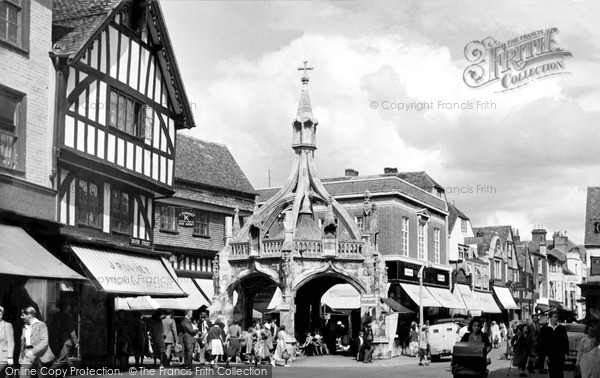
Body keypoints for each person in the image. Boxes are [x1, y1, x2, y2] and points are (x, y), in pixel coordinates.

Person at [18, 306, 55, 378]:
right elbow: (23, 343)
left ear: (29, 315)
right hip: (27, 355)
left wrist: (33, 351)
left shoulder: (41, 325)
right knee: (23, 375)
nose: (21, 317)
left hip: (41, 355)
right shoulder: (24, 327)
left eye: (23, 315)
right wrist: (21, 355)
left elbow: (44, 342)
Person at [48, 300, 78, 371]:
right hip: (65, 341)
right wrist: (76, 342)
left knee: (64, 357)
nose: (69, 307)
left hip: (57, 341)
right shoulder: (67, 316)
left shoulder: (55, 315)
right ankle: (48, 372)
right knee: (62, 359)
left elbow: (51, 328)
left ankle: (74, 371)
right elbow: (71, 330)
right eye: (68, 305)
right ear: (66, 306)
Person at [538, 310, 568, 378]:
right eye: (554, 317)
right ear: (550, 318)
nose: (556, 318)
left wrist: (565, 352)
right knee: (552, 373)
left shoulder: (561, 328)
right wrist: (544, 355)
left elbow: (565, 341)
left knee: (560, 373)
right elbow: (542, 343)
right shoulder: (545, 329)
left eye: (557, 317)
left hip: (560, 354)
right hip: (550, 354)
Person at [0, 305, 15, 378]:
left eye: (0, 314)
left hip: (3, 357)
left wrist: (10, 357)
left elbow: (11, 343)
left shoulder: (7, 325)